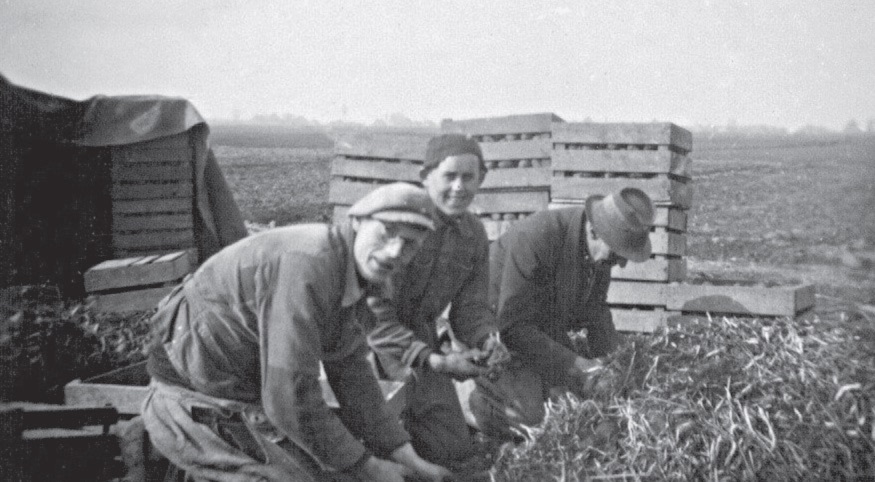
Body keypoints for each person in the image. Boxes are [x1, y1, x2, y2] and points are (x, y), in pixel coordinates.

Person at [141, 182, 453, 482]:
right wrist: (367, 467)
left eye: (410, 244)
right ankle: (146, 447)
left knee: (336, 467)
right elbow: (287, 395)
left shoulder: (360, 274)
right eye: (386, 233)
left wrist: (406, 456)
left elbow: (350, 371)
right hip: (192, 397)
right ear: (357, 222)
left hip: (242, 390)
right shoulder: (311, 265)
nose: (395, 252)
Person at [364, 134, 508, 470]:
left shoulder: (473, 235)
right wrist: (437, 362)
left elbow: (470, 307)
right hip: (365, 343)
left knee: (453, 452)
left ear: (481, 179)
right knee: (376, 444)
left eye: (468, 177)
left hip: (421, 341)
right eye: (449, 176)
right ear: (425, 177)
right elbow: (372, 314)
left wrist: (486, 339)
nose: (459, 187)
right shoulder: (400, 222)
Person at [469, 187, 656, 440]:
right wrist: (580, 367)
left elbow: (596, 312)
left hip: (539, 331)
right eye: (616, 255)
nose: (621, 264)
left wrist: (617, 364)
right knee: (532, 416)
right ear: (593, 232)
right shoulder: (536, 237)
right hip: (491, 334)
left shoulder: (596, 250)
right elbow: (512, 328)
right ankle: (473, 399)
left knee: (573, 404)